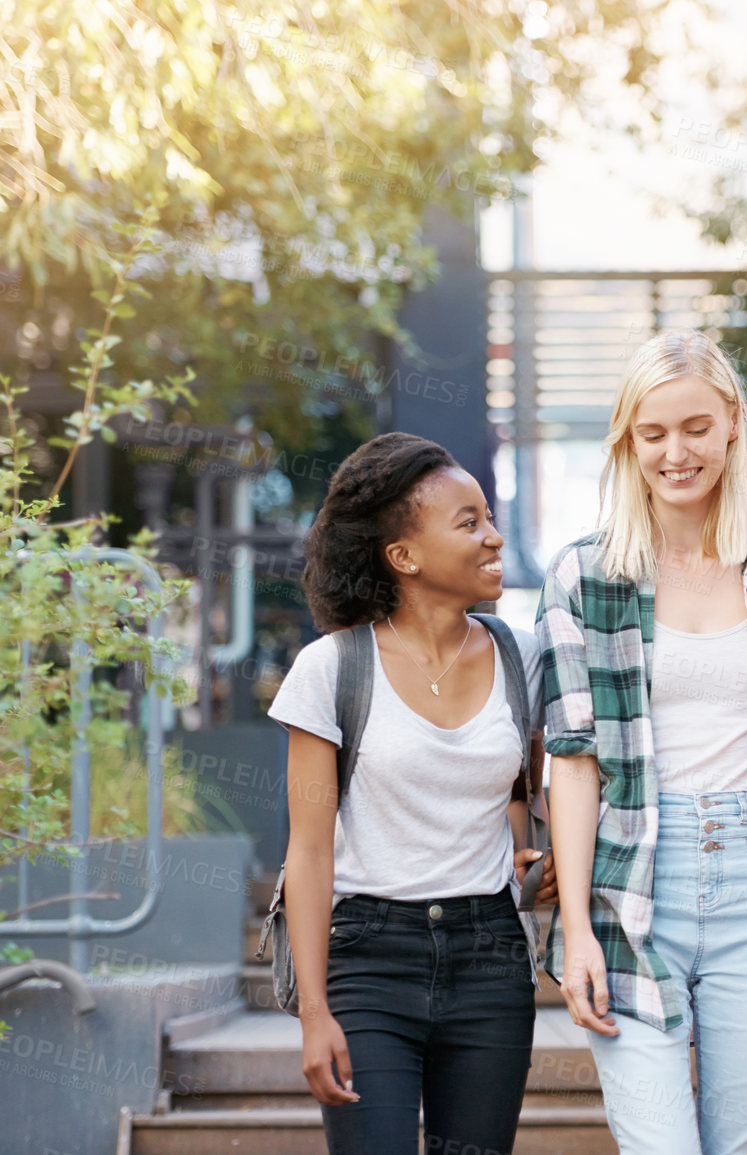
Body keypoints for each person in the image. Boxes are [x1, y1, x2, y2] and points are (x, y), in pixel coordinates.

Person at [538, 331, 747, 1154]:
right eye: (652, 432)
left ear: (733, 424)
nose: (675, 452)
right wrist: (581, 928)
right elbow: (572, 757)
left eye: (695, 427)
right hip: (633, 877)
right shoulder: (581, 575)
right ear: (627, 441)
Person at [266, 431, 555, 1155]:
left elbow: (524, 795)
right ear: (404, 555)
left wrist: (535, 860)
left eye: (488, 517)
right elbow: (306, 852)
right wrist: (313, 1012)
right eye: (469, 523)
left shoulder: (523, 658)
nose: (493, 537)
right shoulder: (329, 669)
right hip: (367, 958)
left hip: (489, 957)